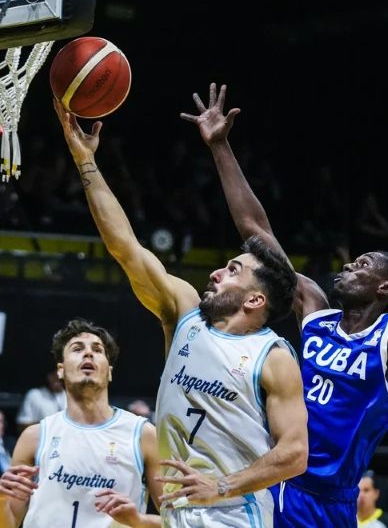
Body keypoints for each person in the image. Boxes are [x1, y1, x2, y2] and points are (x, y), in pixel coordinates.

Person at [181, 82, 388, 528]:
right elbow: (256, 230)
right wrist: (220, 146)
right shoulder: (315, 312)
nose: (351, 264)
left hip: (327, 502)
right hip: (270, 479)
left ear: (386, 289)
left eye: (364, 264)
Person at [53, 98, 308, 527]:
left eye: (233, 271)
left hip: (233, 514)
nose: (216, 273)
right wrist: (85, 162)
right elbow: (125, 248)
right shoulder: (185, 312)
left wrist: (221, 486)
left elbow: (295, 454)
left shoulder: (273, 357)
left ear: (255, 301)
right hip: (178, 513)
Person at [0, 318, 162, 527]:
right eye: (77, 349)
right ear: (60, 369)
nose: (88, 353)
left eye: (97, 350)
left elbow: (179, 521)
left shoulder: (143, 435)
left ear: (110, 371)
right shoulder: (35, 436)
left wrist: (140, 521)